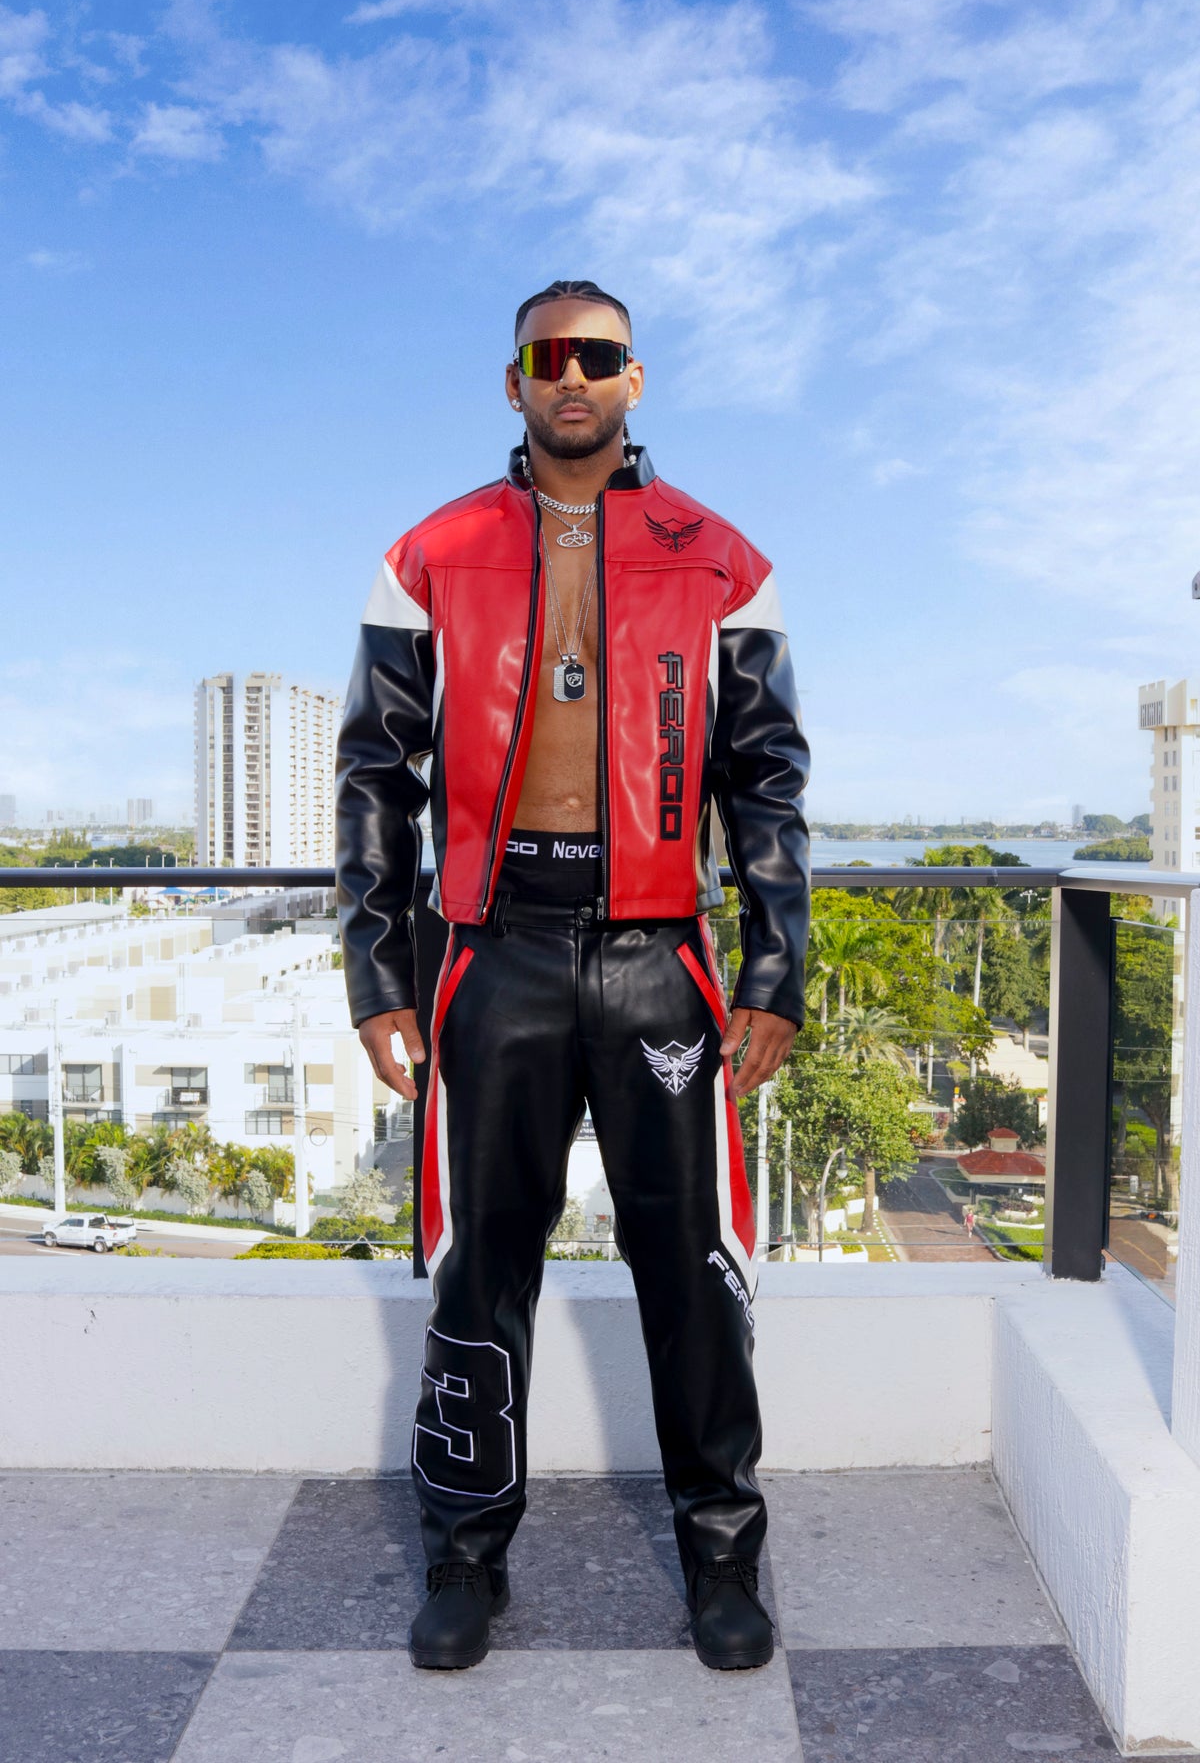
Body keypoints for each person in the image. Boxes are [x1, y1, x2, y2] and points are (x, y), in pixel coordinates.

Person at [335, 279, 811, 1674]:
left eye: (598, 355)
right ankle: (464, 1559)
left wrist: (775, 966)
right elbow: (375, 775)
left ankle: (722, 1555)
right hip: (495, 954)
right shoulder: (430, 555)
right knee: (478, 1272)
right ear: (514, 381)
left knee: (694, 1272)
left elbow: (767, 779)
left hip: (661, 955)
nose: (572, 376)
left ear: (634, 377)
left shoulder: (721, 558)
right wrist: (379, 968)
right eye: (548, 356)